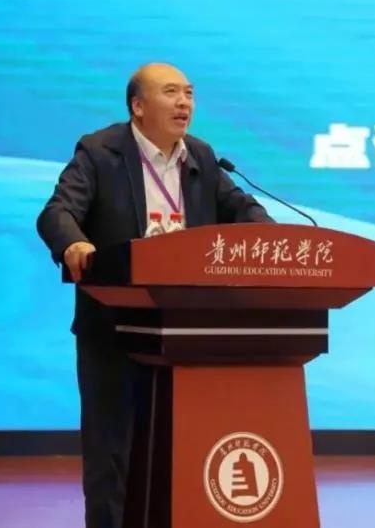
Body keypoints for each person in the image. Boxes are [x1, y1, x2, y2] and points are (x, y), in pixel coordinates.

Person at [36, 62, 273, 528]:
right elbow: (57, 212)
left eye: (189, 93)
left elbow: (242, 208)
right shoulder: (100, 151)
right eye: (171, 93)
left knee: (182, 449)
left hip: (189, 329)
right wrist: (74, 244)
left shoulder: (201, 156)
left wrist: (272, 239)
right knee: (111, 455)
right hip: (115, 327)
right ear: (138, 106)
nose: (184, 103)